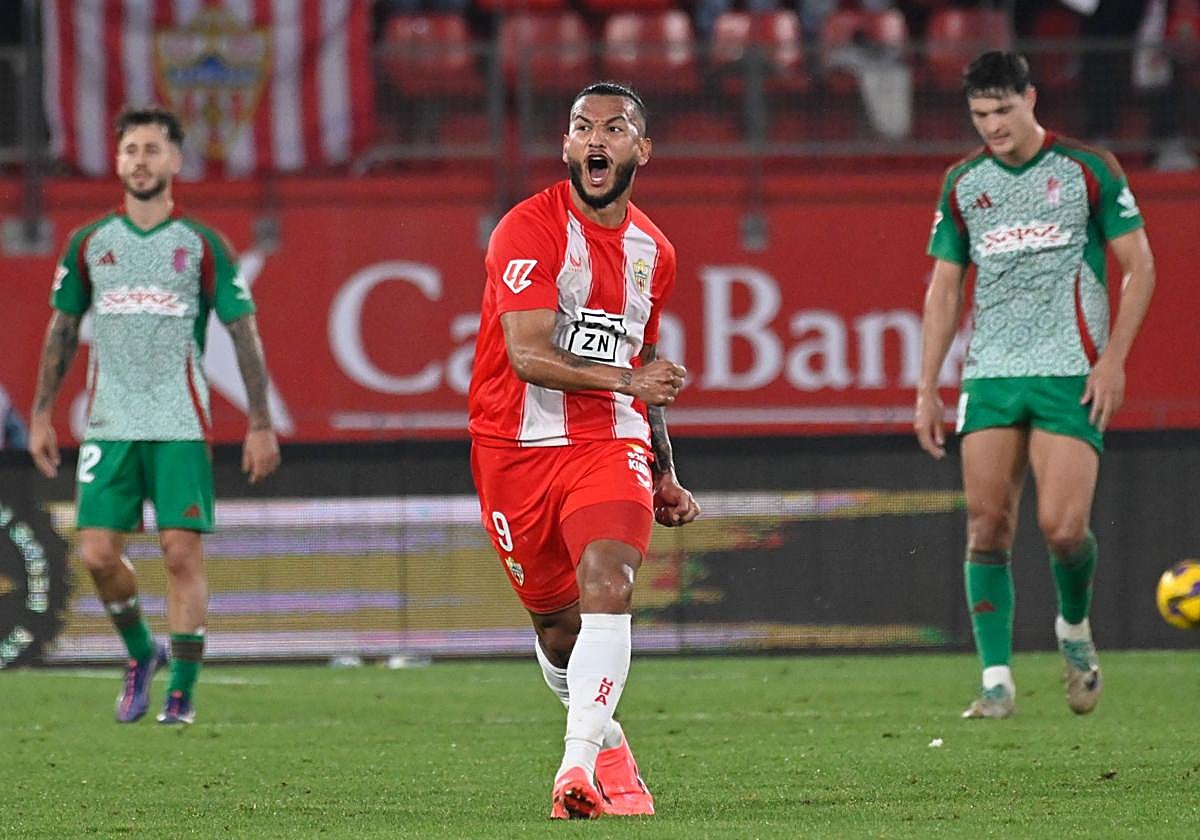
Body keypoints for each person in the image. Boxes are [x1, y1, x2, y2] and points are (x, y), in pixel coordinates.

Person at [467, 81, 700, 819]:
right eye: (581, 127)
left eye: (615, 128)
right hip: (516, 445)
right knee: (557, 627)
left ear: (642, 150)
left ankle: (575, 771)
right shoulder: (526, 230)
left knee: (610, 581)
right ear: (567, 146)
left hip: (608, 437)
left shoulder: (653, 252)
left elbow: (641, 349)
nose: (596, 139)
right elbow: (529, 356)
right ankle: (611, 749)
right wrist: (634, 375)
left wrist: (663, 467)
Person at [915, 51, 1155, 719]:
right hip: (991, 369)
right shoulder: (963, 182)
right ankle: (996, 681)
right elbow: (943, 288)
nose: (991, 125)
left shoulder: (1087, 169)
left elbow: (1140, 266)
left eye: (1001, 110)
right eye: (979, 114)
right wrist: (926, 386)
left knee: (1064, 528)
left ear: (1030, 98)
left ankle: (1073, 630)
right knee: (987, 527)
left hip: (1070, 367)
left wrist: (1114, 360)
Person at [29, 106, 280, 726]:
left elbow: (243, 333)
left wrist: (259, 421)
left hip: (179, 421)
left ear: (175, 161)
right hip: (109, 422)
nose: (139, 160)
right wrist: (41, 414)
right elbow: (61, 328)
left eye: (151, 149)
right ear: (118, 162)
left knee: (179, 554)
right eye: (130, 150)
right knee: (95, 554)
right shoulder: (90, 243)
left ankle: (181, 693)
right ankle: (144, 652)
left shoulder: (201, 244)